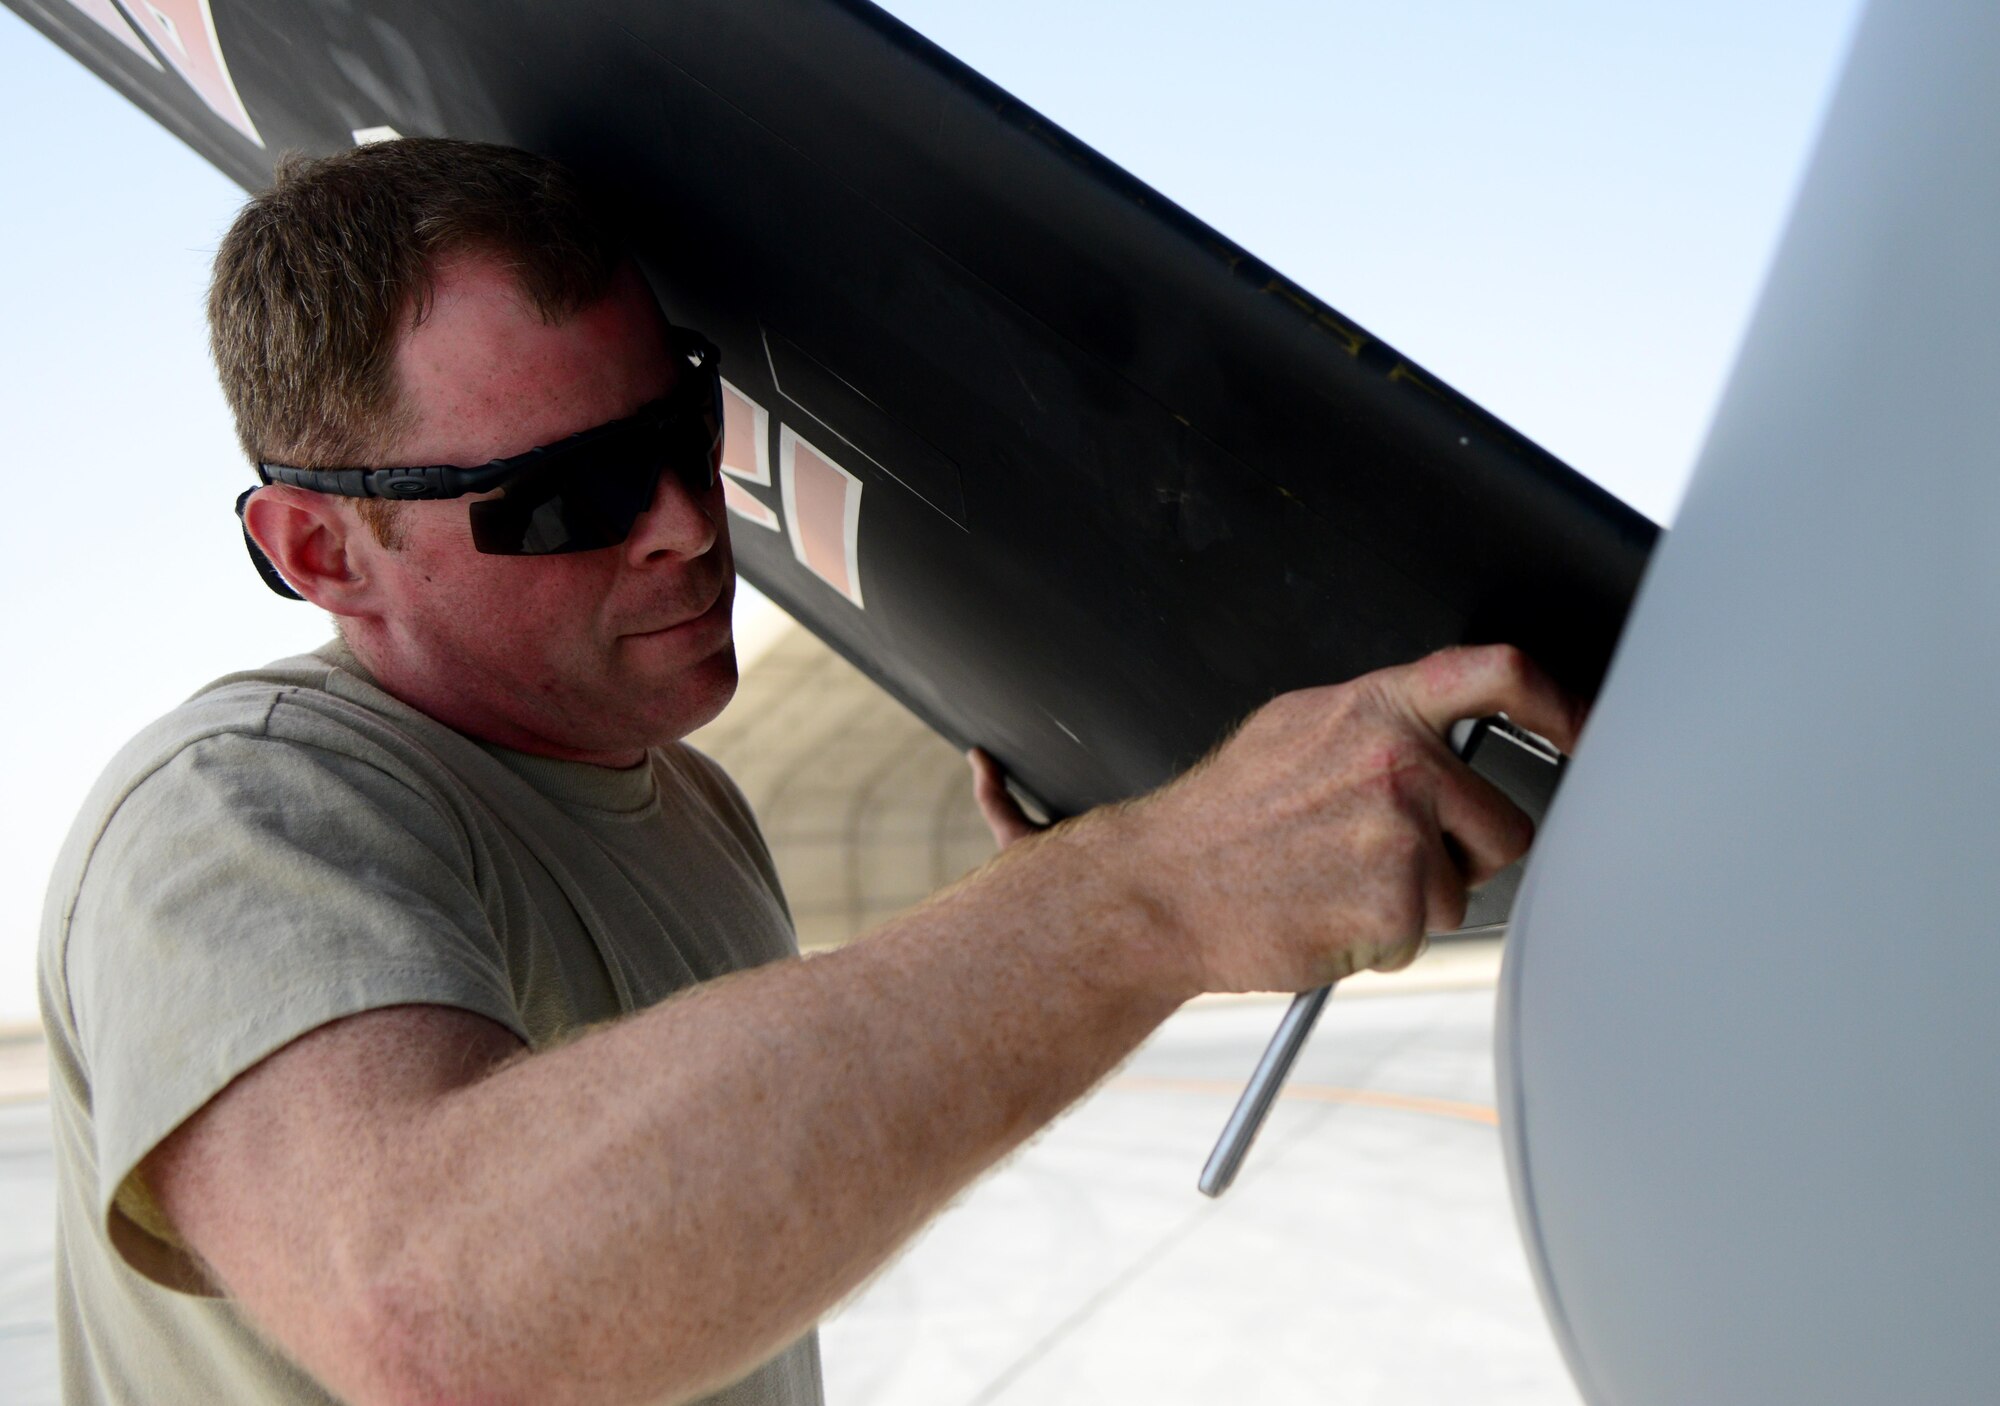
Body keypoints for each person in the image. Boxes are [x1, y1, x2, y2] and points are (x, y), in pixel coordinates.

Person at [38, 137, 1581, 1406]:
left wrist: (1060, 899)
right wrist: (1143, 892)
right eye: (567, 494)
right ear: (320, 548)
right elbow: (445, 1322)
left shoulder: (690, 807)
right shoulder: (232, 810)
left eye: (682, 423)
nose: (686, 521)